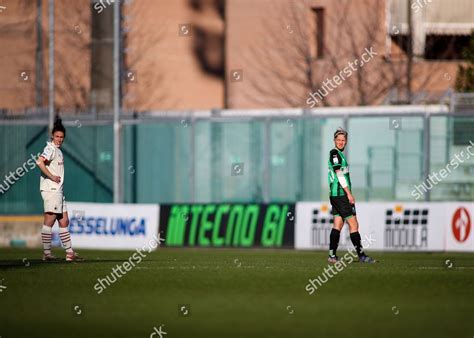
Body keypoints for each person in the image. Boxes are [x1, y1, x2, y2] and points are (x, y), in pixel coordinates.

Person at [37, 117, 83, 262]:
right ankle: (47, 253)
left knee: (64, 221)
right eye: (57, 136)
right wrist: (51, 176)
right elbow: (39, 161)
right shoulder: (50, 148)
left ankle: (70, 253)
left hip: (58, 191)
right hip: (52, 190)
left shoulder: (57, 150)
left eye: (61, 137)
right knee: (49, 222)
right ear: (52, 136)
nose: (59, 139)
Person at [327, 128, 375, 263]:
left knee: (338, 224)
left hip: (336, 195)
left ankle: (332, 255)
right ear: (334, 141)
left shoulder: (340, 155)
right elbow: (339, 174)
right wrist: (349, 194)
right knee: (354, 225)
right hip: (341, 194)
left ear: (346, 141)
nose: (341, 142)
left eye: (343, 140)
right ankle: (362, 256)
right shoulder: (334, 154)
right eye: (338, 140)